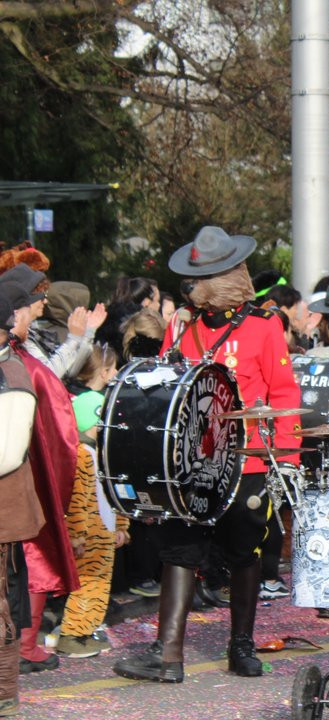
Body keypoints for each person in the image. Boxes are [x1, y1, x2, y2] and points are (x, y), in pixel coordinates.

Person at [113, 226, 301, 683]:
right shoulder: (184, 329)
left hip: (247, 459)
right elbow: (167, 389)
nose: (191, 288)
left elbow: (284, 393)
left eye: (202, 278)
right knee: (180, 548)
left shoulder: (263, 327)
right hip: (192, 463)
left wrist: (288, 460)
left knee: (244, 551)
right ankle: (167, 652)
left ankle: (241, 645)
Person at [0, 268, 80, 675]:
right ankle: (23, 647)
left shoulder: (22, 359)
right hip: (17, 481)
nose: (41, 309)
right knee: (30, 556)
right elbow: (58, 430)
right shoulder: (19, 365)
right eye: (36, 301)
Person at [56, 344, 130, 658]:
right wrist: (79, 534)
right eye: (113, 369)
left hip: (102, 517)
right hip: (94, 522)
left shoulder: (90, 453)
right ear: (102, 371)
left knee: (96, 578)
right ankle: (74, 633)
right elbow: (82, 499)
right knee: (91, 578)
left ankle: (84, 629)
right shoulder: (87, 450)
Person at [0, 293, 46, 715]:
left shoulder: (11, 374)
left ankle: (3, 695)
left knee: (1, 610)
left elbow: (8, 453)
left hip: (3, 512)